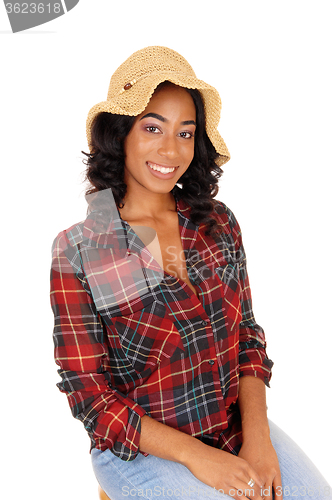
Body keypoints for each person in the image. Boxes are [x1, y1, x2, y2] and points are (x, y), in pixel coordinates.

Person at [50, 46, 331, 500]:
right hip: (139, 451)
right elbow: (91, 398)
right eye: (152, 128)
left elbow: (247, 336)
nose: (170, 149)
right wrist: (196, 457)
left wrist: (257, 439)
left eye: (186, 132)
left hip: (230, 425)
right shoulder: (80, 251)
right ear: (120, 134)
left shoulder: (217, 222)